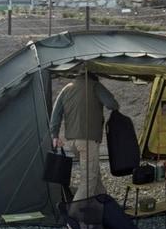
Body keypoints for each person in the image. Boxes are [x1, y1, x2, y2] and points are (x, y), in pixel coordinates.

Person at [50, 72, 119, 202]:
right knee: (88, 182)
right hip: (88, 141)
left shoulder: (66, 88)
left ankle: (105, 205)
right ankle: (75, 216)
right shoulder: (95, 86)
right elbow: (111, 104)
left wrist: (54, 135)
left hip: (71, 141)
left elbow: (56, 113)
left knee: (94, 174)